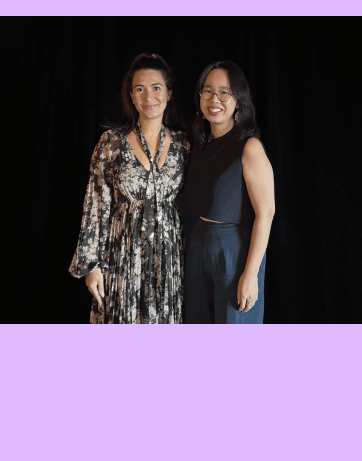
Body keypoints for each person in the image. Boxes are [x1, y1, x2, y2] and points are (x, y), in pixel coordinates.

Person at [68, 53, 188, 323]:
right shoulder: (111, 143)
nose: (149, 97)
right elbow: (95, 205)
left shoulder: (184, 144)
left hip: (169, 265)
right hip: (120, 260)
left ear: (169, 93)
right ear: (131, 96)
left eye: (156, 88)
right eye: (140, 89)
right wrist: (92, 266)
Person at [176, 61, 275, 323]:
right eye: (207, 91)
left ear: (238, 101)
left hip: (232, 250)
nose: (214, 99)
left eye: (224, 92)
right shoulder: (198, 146)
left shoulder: (249, 147)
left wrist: (250, 274)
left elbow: (266, 213)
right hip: (198, 244)